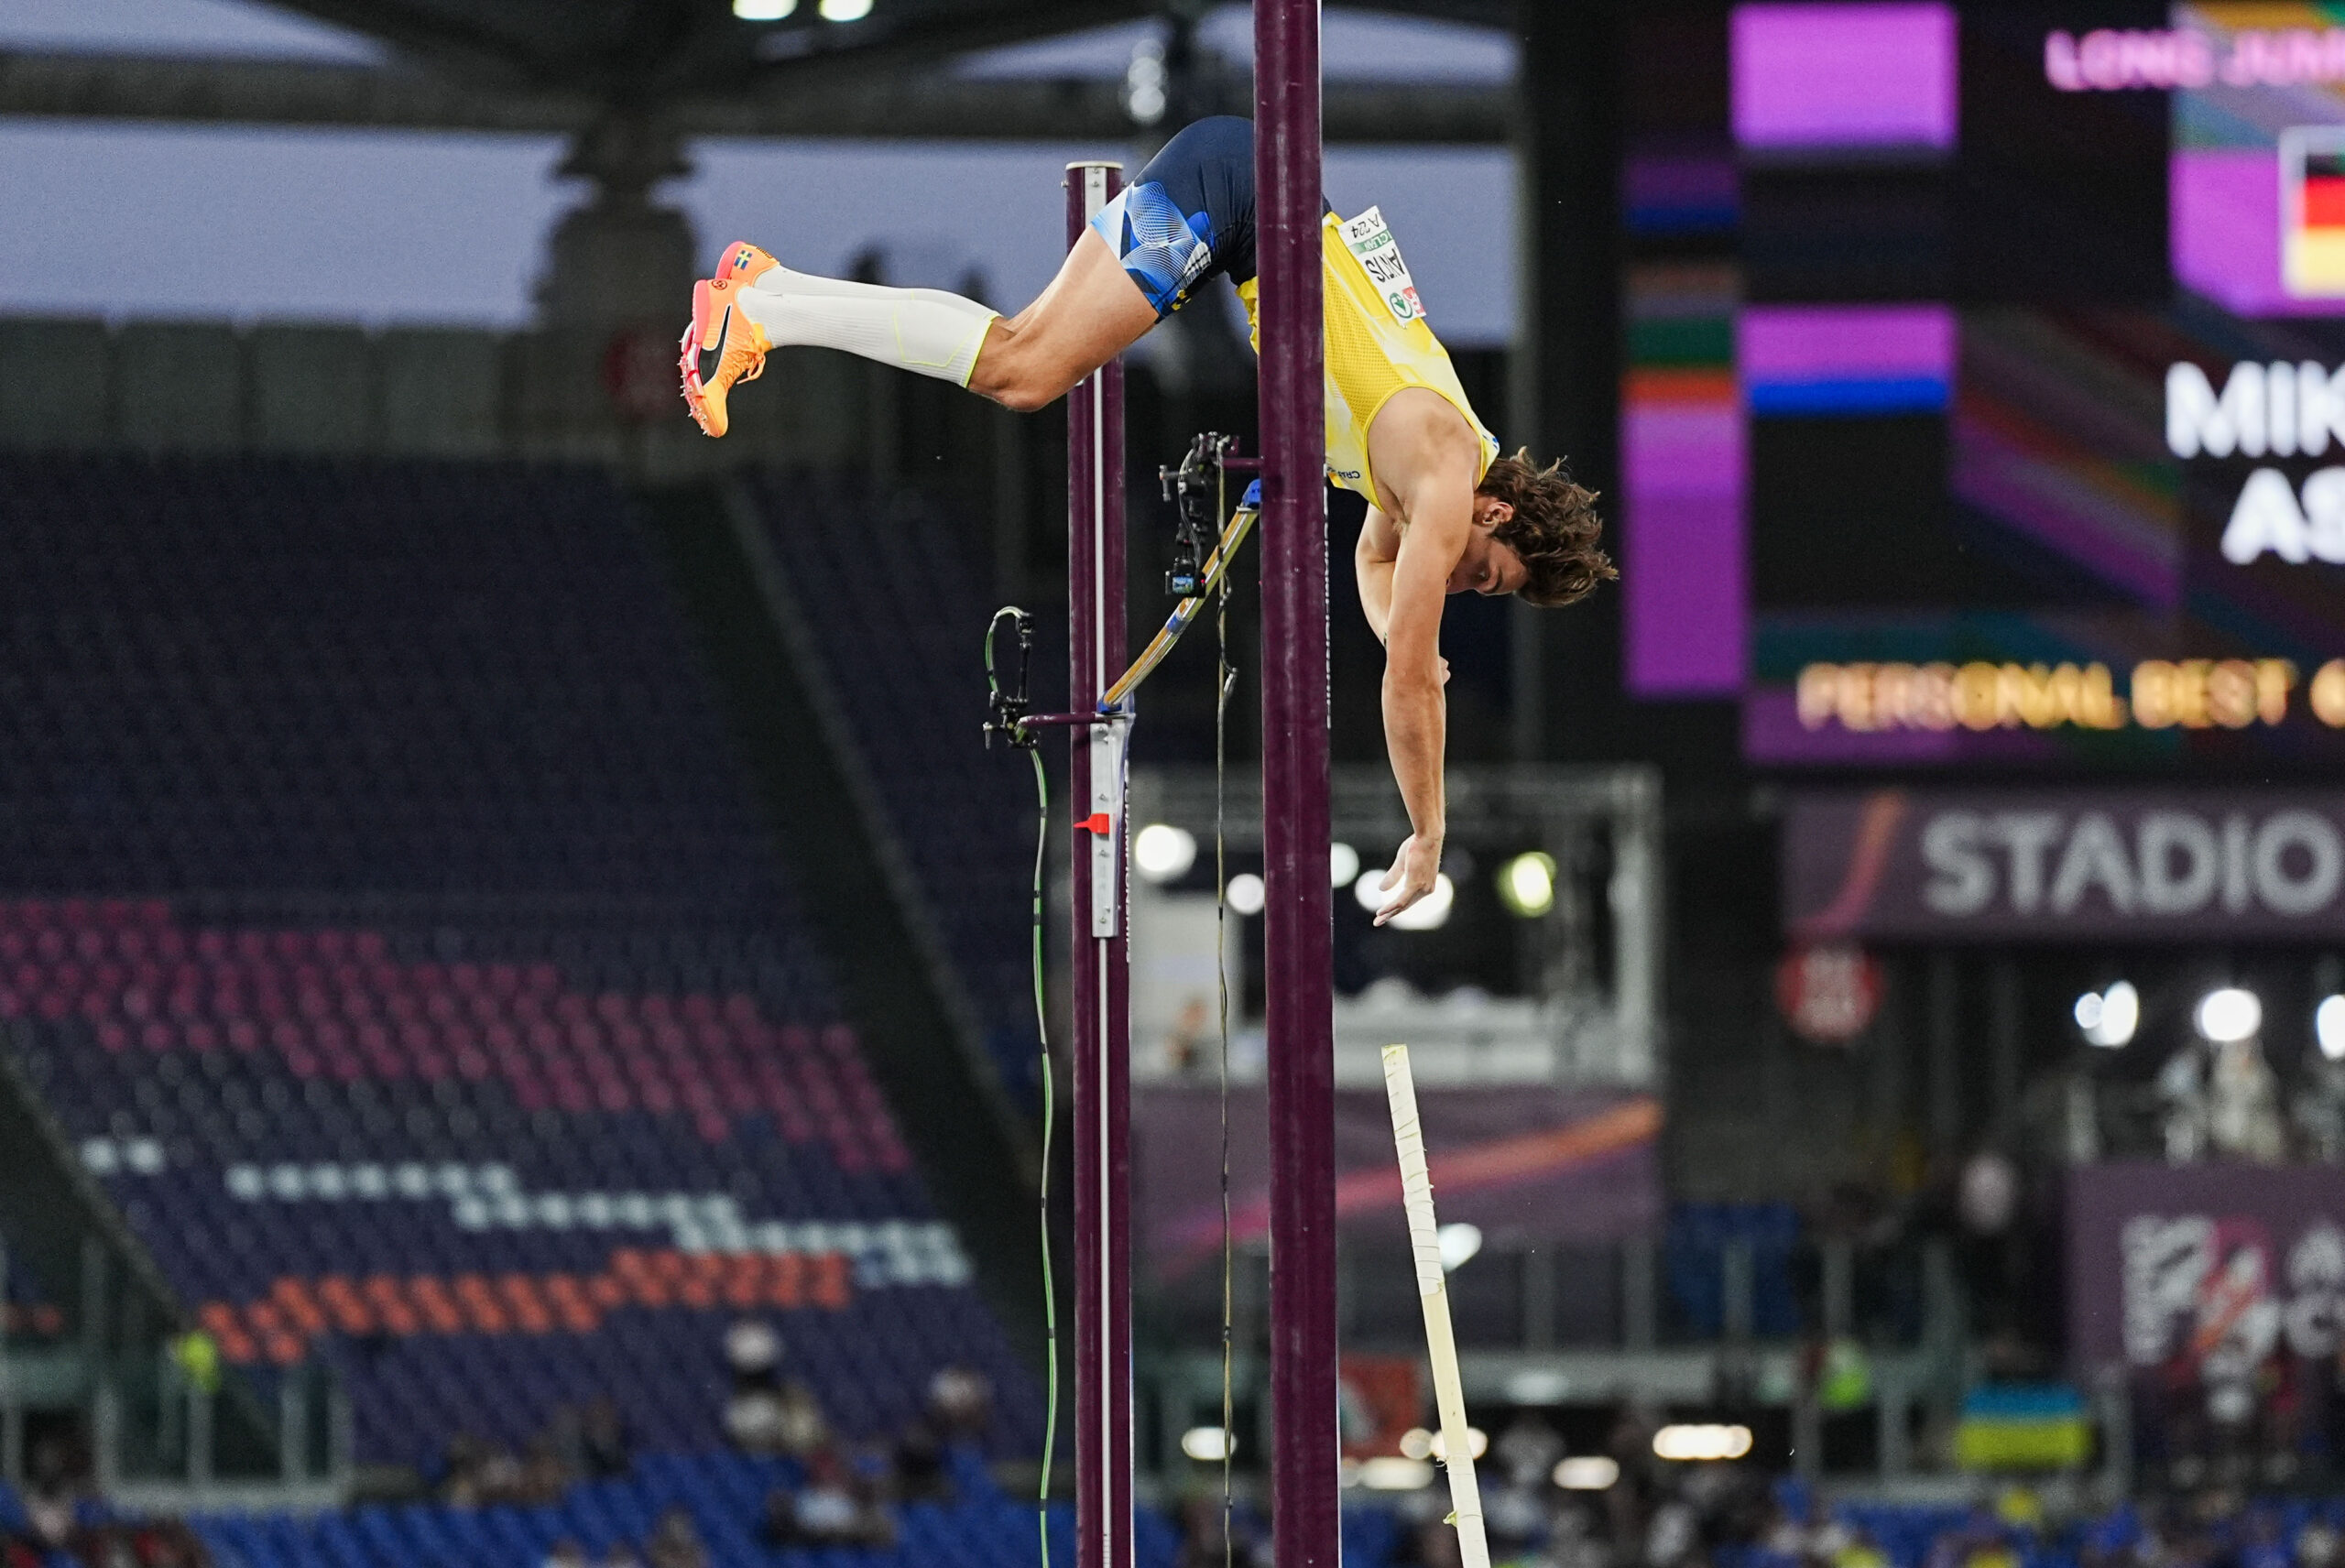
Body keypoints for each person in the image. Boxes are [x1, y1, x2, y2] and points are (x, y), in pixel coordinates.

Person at [680, 115, 1614, 923]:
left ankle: (769, 291)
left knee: (1022, 357)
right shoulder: (1448, 466)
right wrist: (1427, 829)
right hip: (1239, 196)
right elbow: (1408, 685)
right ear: (1494, 511)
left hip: (1245, 197)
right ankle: (761, 305)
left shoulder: (1424, 484)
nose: (1458, 578)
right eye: (1482, 571)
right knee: (1026, 369)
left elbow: (1376, 567)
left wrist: (1402, 626)